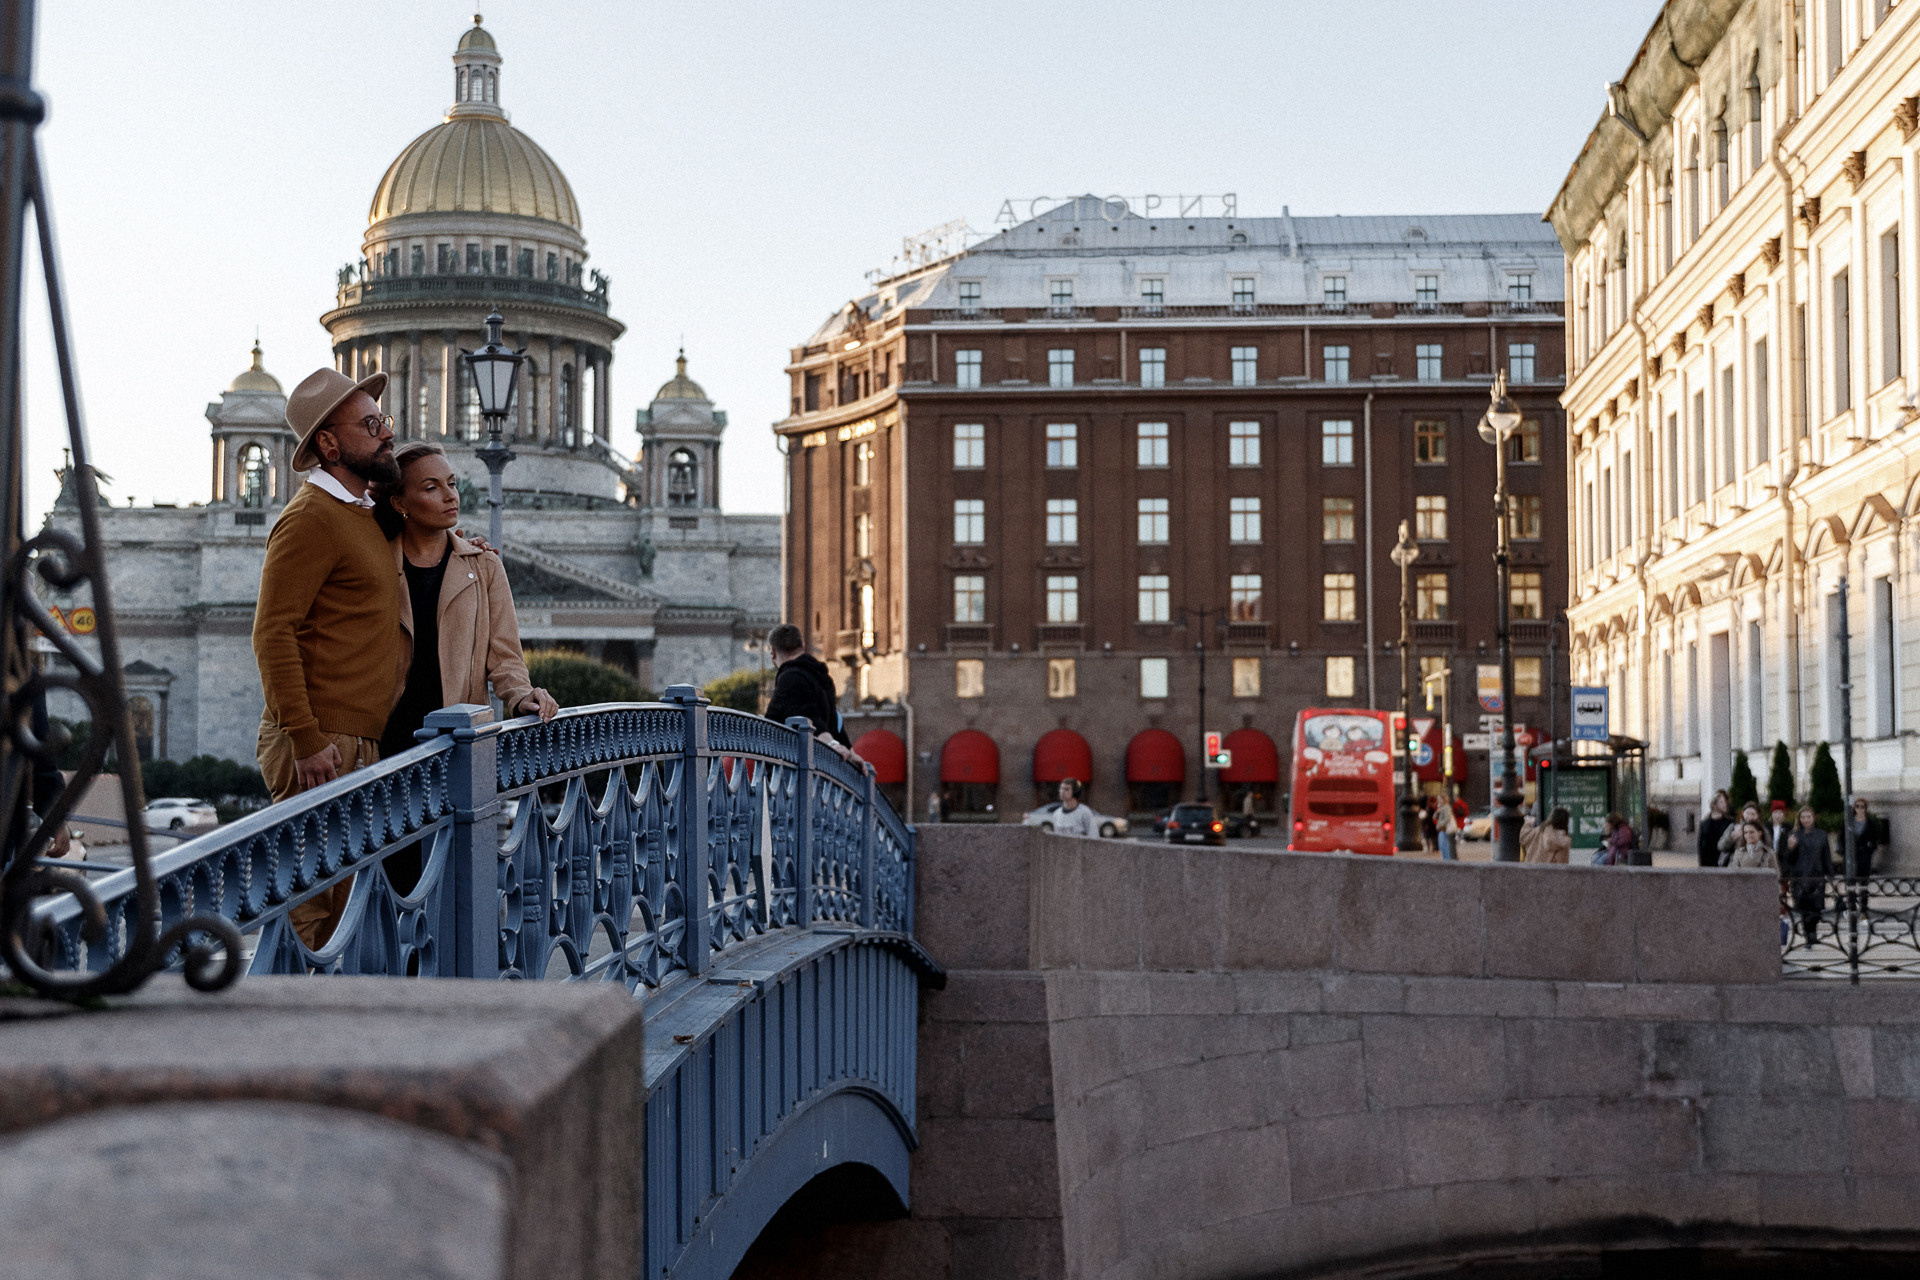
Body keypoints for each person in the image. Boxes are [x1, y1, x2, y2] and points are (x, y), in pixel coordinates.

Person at [252, 367, 405, 948]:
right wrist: (307, 737)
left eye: (384, 421)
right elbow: (272, 633)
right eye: (371, 425)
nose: (386, 434)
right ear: (329, 442)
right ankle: (293, 1034)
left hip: (352, 737)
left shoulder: (362, 514)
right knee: (314, 913)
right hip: (322, 742)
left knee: (345, 910)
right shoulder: (310, 518)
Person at [374, 440, 558, 757]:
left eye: (452, 484)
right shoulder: (372, 566)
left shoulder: (485, 566)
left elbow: (506, 658)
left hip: (457, 748)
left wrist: (521, 695)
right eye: (432, 488)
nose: (451, 496)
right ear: (400, 503)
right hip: (384, 748)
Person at [763, 624, 851, 748]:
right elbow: (833, 720)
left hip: (796, 760)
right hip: (823, 760)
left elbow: (808, 716)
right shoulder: (822, 677)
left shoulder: (790, 677)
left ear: (772, 652)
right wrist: (849, 750)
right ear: (802, 645)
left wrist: (832, 744)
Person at [1783, 805, 1832, 943]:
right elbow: (1789, 860)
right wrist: (1790, 848)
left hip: (1817, 876)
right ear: (1799, 819)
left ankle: (1813, 931)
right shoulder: (1794, 835)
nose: (1806, 820)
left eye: (1808, 817)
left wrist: (1831, 874)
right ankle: (1809, 936)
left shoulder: (1821, 835)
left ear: (1813, 818)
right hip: (1800, 876)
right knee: (1804, 908)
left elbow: (1826, 855)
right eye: (1803, 817)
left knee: (1816, 908)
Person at [1697, 790, 1733, 869]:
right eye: (1721, 802)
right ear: (1714, 805)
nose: (1725, 805)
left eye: (1725, 802)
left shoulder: (1729, 823)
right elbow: (1700, 846)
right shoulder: (1704, 824)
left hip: (1723, 864)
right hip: (1707, 864)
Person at [1849, 797, 1880, 881]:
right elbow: (1842, 837)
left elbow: (1874, 839)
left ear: (1865, 809)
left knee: (1864, 878)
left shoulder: (1870, 824)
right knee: (1851, 879)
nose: (1859, 809)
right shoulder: (1849, 823)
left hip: (1864, 854)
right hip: (1852, 854)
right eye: (1857, 806)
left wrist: (1869, 851)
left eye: (1862, 807)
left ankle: (1863, 891)